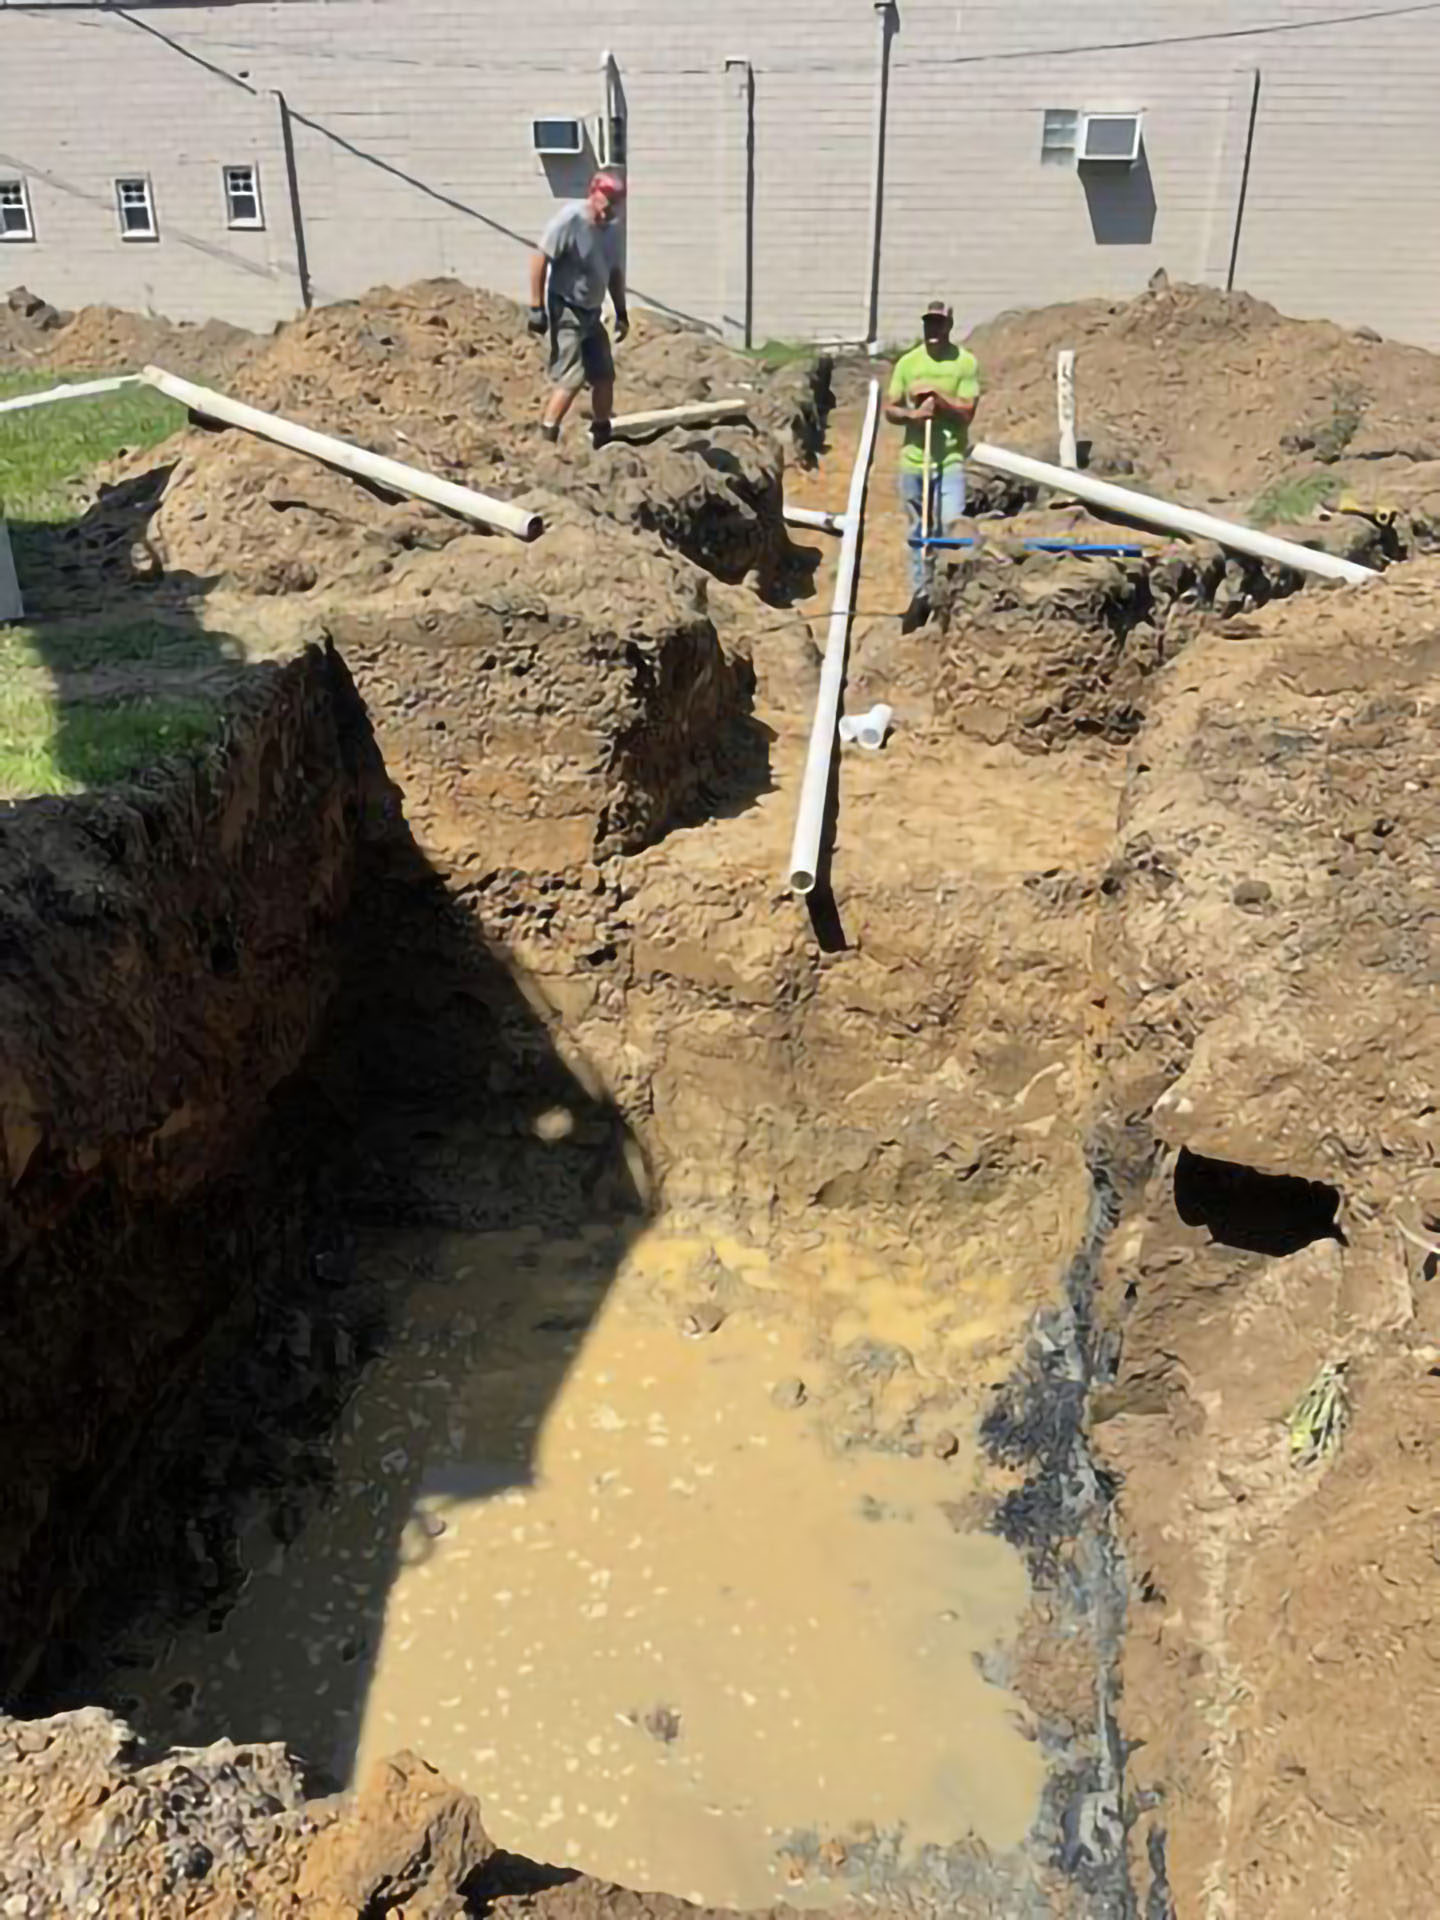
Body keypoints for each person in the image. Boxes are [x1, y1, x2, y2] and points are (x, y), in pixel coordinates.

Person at [886, 301, 981, 629]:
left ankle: (951, 596)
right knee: (920, 532)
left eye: (939, 324)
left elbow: (968, 412)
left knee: (951, 528)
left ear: (949, 326)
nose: (933, 331)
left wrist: (940, 401)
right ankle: (921, 593)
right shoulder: (908, 363)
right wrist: (912, 414)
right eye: (929, 324)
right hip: (915, 461)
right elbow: (890, 408)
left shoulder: (964, 363)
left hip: (949, 461)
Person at [527, 172, 630, 448]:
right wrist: (536, 307)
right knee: (572, 376)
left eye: (614, 202)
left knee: (604, 375)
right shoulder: (570, 220)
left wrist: (621, 313)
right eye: (605, 200)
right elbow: (540, 259)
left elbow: (614, 273)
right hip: (566, 308)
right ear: (592, 194)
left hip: (592, 311)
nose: (608, 208)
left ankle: (601, 433)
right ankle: (547, 435)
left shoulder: (612, 230)